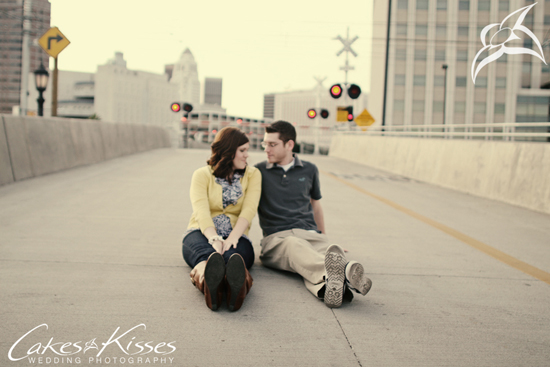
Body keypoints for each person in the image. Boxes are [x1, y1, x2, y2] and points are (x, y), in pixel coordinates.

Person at [255, 120, 372, 308]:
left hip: (310, 234)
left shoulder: (309, 169)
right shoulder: (258, 171)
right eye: (265, 144)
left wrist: (323, 237)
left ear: (289, 145)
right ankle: (344, 272)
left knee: (327, 254)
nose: (266, 149)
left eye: (272, 144)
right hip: (278, 239)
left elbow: (315, 205)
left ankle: (331, 289)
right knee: (296, 248)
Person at [182, 126, 261, 311]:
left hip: (237, 234)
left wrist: (233, 237)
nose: (246, 155)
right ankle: (210, 287)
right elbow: (201, 211)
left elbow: (249, 210)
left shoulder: (253, 175)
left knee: (234, 257)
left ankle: (239, 288)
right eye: (242, 150)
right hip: (201, 232)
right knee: (206, 257)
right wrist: (214, 238)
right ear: (228, 150)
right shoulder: (201, 174)